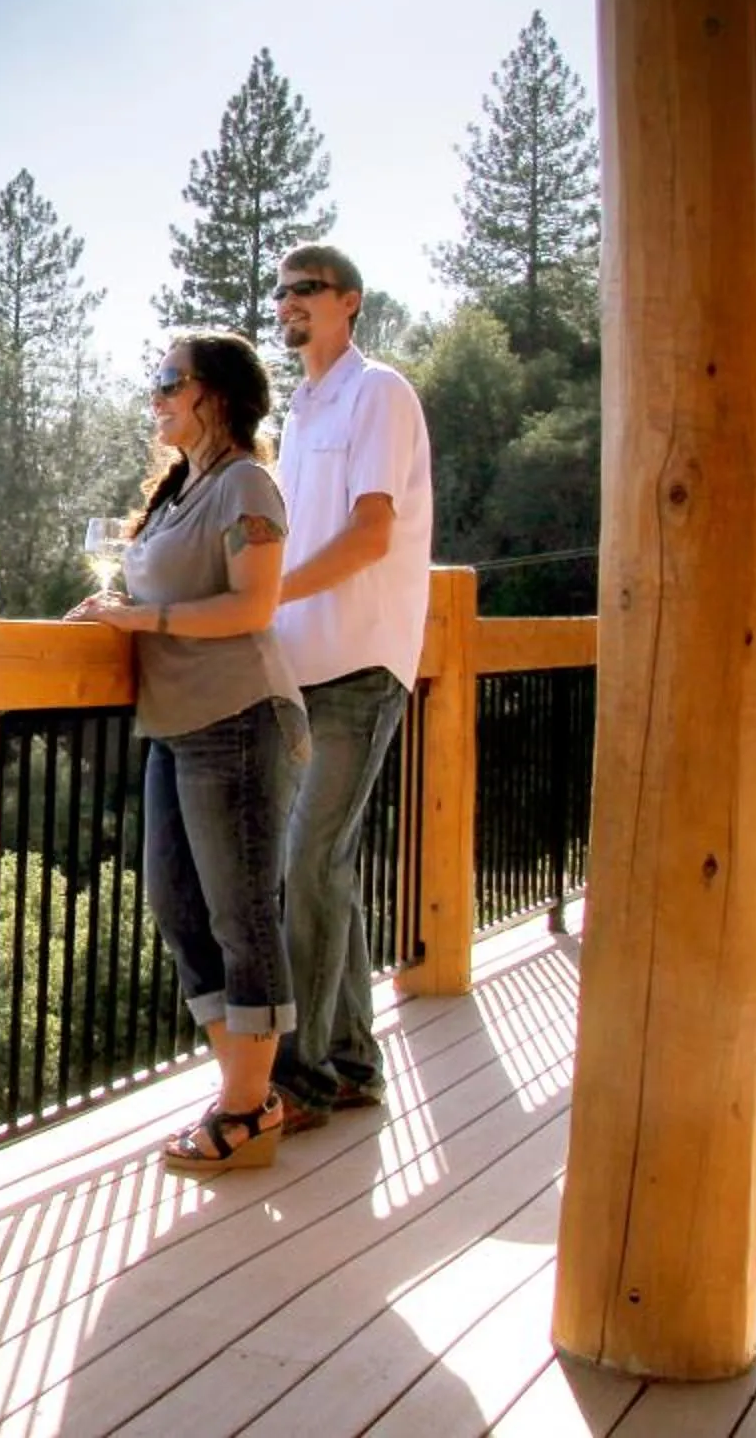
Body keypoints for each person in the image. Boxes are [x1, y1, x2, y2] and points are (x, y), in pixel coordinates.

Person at [66, 330, 307, 1172]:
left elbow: (253, 607)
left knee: (241, 912)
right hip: (174, 723)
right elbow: (159, 593)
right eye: (156, 381)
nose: (156, 395)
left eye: (170, 381)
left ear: (217, 394)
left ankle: (246, 1109)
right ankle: (248, 1091)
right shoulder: (182, 489)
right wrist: (109, 615)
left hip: (238, 716)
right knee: (176, 904)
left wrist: (139, 618)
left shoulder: (246, 483)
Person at [264, 243, 437, 1132]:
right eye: (283, 291)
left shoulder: (380, 394)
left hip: (361, 667)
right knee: (324, 867)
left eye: (308, 290)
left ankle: (299, 1080)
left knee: (309, 865)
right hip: (299, 669)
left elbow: (372, 536)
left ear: (350, 302)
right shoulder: (300, 410)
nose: (290, 302)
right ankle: (356, 1064)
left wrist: (266, 594)